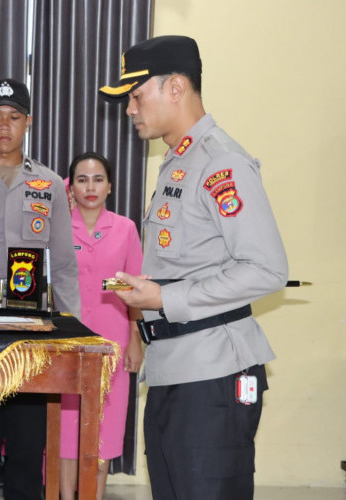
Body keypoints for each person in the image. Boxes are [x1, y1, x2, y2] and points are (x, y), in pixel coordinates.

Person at [99, 36, 288, 499]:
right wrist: (148, 289)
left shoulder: (222, 162)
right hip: (173, 371)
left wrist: (164, 297)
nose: (130, 109)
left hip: (213, 377)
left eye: (136, 95)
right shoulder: (178, 160)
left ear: (176, 87)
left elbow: (266, 269)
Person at [0, 78, 81, 500]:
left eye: (14, 117)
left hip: (31, 328)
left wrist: (72, 328)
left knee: (28, 450)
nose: (4, 126)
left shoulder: (50, 184)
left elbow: (64, 264)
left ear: (29, 122)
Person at [59, 152, 143, 500]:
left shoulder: (125, 229)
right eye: (81, 179)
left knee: (105, 428)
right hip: (67, 342)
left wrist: (135, 338)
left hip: (113, 343)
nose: (90, 187)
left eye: (98, 179)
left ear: (110, 186)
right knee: (67, 429)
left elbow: (133, 290)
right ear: (71, 187)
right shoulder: (59, 228)